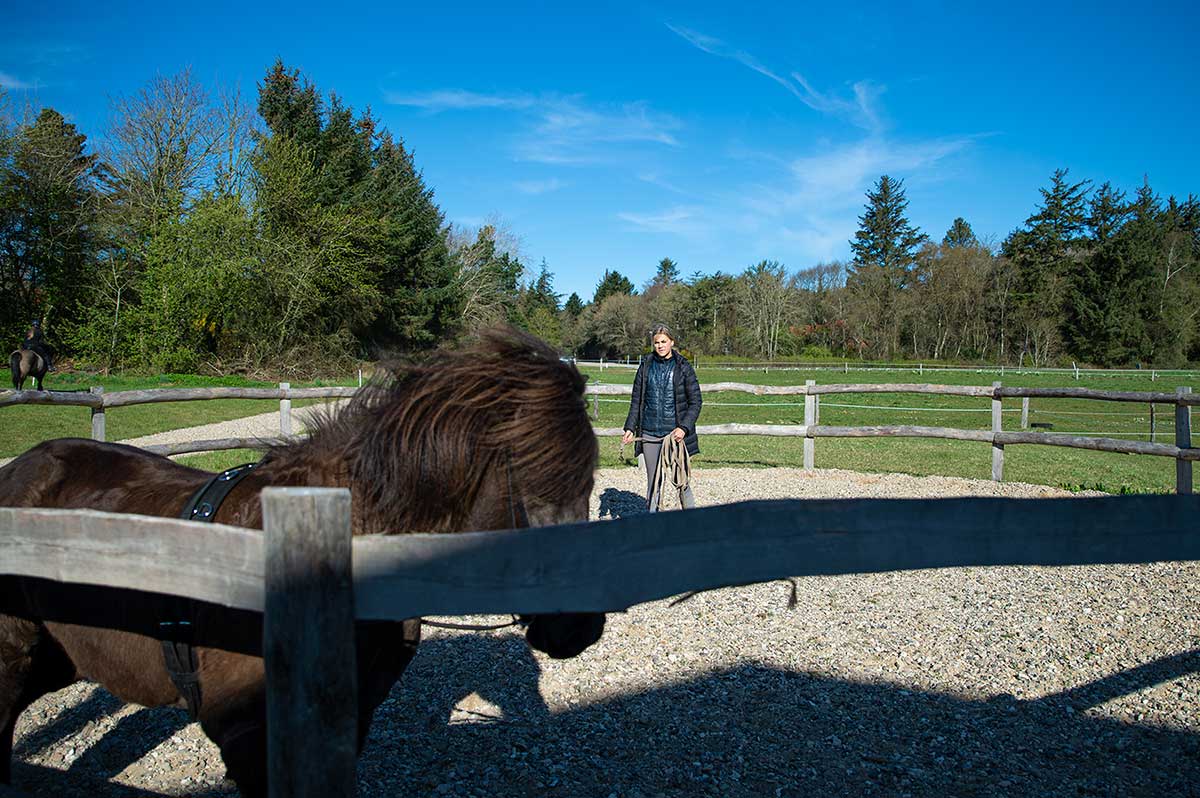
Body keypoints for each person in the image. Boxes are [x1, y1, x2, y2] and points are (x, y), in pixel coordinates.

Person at [621, 324, 702, 511]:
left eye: (664, 341)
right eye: (656, 342)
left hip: (674, 436)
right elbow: (636, 401)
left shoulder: (683, 367)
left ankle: (694, 521)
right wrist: (629, 428)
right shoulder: (645, 367)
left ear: (672, 342)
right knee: (653, 483)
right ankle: (653, 524)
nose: (660, 345)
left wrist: (684, 427)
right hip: (649, 434)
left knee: (681, 482)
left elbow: (696, 401)